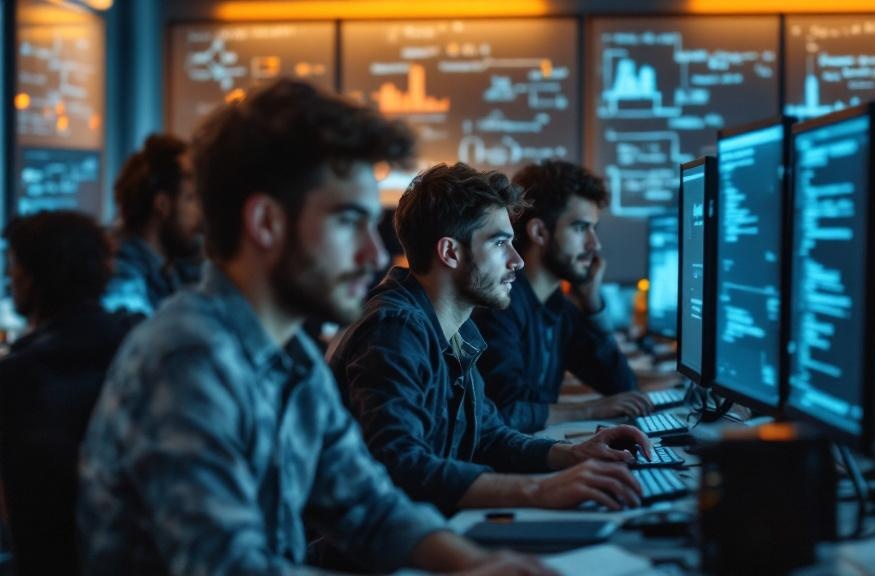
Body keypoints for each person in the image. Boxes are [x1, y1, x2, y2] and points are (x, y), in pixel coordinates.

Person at [78, 80, 549, 576]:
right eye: (349, 221)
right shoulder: (190, 358)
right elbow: (230, 568)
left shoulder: (291, 356)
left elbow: (369, 506)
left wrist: (477, 564)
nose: (372, 255)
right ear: (266, 222)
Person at [328, 162, 652, 516]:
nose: (517, 261)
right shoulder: (395, 328)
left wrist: (574, 454)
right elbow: (401, 467)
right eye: (500, 243)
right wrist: (540, 489)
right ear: (450, 252)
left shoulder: (458, 329)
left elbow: (488, 435)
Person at [0, 211, 138, 575]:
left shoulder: (14, 376)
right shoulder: (136, 346)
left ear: (34, 275)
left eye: (14, 265)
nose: (10, 277)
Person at [472, 160, 651, 433]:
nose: (594, 244)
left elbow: (623, 388)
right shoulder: (499, 304)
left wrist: (592, 305)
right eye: (580, 228)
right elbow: (506, 411)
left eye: (594, 228)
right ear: (539, 232)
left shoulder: (558, 308)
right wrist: (590, 409)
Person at [103, 134, 204, 316]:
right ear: (162, 204)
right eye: (190, 198)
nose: (199, 212)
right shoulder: (121, 274)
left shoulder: (172, 268)